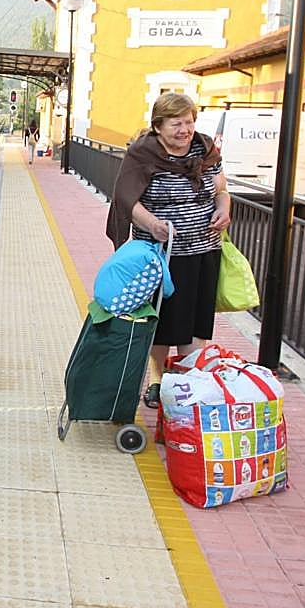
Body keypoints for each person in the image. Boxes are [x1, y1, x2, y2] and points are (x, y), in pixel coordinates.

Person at [106, 93, 229, 408]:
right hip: (160, 254)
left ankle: (188, 382)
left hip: (204, 250)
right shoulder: (143, 153)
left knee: (197, 320)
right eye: (176, 124)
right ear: (158, 126)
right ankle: (157, 381)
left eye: (189, 122)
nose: (185, 130)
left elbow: (221, 189)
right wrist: (152, 223)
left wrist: (224, 208)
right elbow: (126, 198)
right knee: (161, 320)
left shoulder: (205, 149)